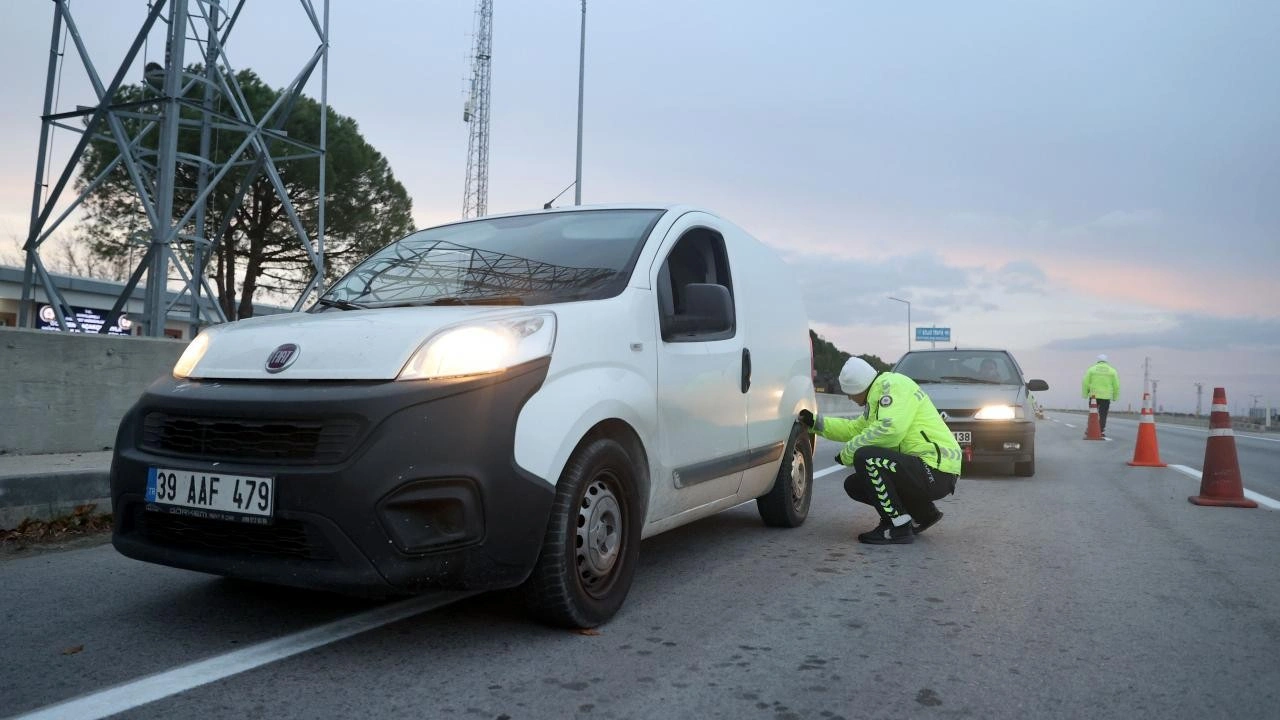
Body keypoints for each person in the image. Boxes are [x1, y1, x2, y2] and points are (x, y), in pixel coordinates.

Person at [800, 357, 962, 545]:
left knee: (865, 458)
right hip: (929, 469)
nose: (849, 398)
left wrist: (848, 453)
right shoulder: (877, 396)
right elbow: (855, 429)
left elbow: (890, 429)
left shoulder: (892, 386)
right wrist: (815, 423)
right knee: (855, 484)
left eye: (850, 393)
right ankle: (923, 513)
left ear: (858, 387)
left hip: (936, 469)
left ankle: (898, 527)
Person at [1081, 354, 1120, 437]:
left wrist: (1085, 394)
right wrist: (1115, 397)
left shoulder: (1091, 370)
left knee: (1093, 414)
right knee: (1103, 415)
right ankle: (1101, 431)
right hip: (1106, 397)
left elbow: (1085, 383)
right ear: (1106, 361)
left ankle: (1090, 430)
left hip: (1094, 396)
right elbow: (1116, 385)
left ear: (1097, 361)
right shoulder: (1112, 371)